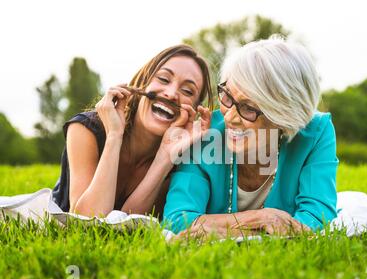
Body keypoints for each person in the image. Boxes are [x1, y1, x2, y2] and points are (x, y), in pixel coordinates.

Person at [163, 37, 339, 239]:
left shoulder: (316, 132)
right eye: (227, 97)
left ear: (283, 114)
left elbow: (317, 218)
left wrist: (215, 226)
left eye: (247, 108)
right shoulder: (205, 132)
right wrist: (259, 219)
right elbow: (177, 219)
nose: (229, 117)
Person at [52, 44, 213, 219]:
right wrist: (114, 135)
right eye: (164, 79)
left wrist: (165, 157)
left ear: (195, 110)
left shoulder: (181, 161)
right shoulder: (85, 128)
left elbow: (127, 222)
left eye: (187, 90)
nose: (171, 93)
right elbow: (87, 219)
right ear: (142, 84)